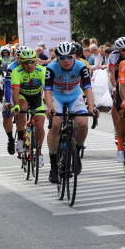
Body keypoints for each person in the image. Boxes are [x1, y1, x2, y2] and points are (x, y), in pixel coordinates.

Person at [44, 42, 97, 184]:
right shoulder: (51, 67)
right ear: (57, 58)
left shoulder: (81, 66)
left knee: (83, 123)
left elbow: (88, 88)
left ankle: (76, 154)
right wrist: (50, 108)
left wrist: (91, 107)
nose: (66, 61)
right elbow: (47, 91)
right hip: (56, 96)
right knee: (55, 124)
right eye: (62, 58)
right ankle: (54, 166)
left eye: (69, 57)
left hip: (74, 95)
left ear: (75, 56)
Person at [9, 48, 47, 166]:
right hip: (22, 95)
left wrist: (46, 100)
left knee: (40, 124)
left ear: (36, 61)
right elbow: (15, 90)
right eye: (26, 62)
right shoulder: (16, 71)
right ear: (20, 62)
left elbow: (47, 89)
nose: (29, 65)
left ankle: (39, 151)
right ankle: (20, 138)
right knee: (22, 108)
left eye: (32, 61)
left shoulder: (42, 70)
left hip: (36, 97)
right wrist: (16, 106)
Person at [109, 37, 125, 162]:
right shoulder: (113, 56)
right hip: (118, 81)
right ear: (118, 50)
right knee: (121, 110)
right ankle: (116, 126)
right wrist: (114, 87)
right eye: (124, 50)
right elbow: (111, 74)